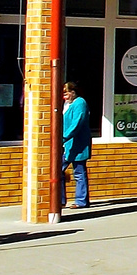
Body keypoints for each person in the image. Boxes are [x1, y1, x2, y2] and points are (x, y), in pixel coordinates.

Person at [60, 81, 92, 210]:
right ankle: (60, 199)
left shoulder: (80, 103)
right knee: (58, 169)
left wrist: (64, 137)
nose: (64, 96)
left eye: (66, 93)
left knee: (79, 172)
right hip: (67, 144)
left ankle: (81, 200)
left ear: (73, 92)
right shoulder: (67, 104)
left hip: (78, 143)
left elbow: (77, 123)